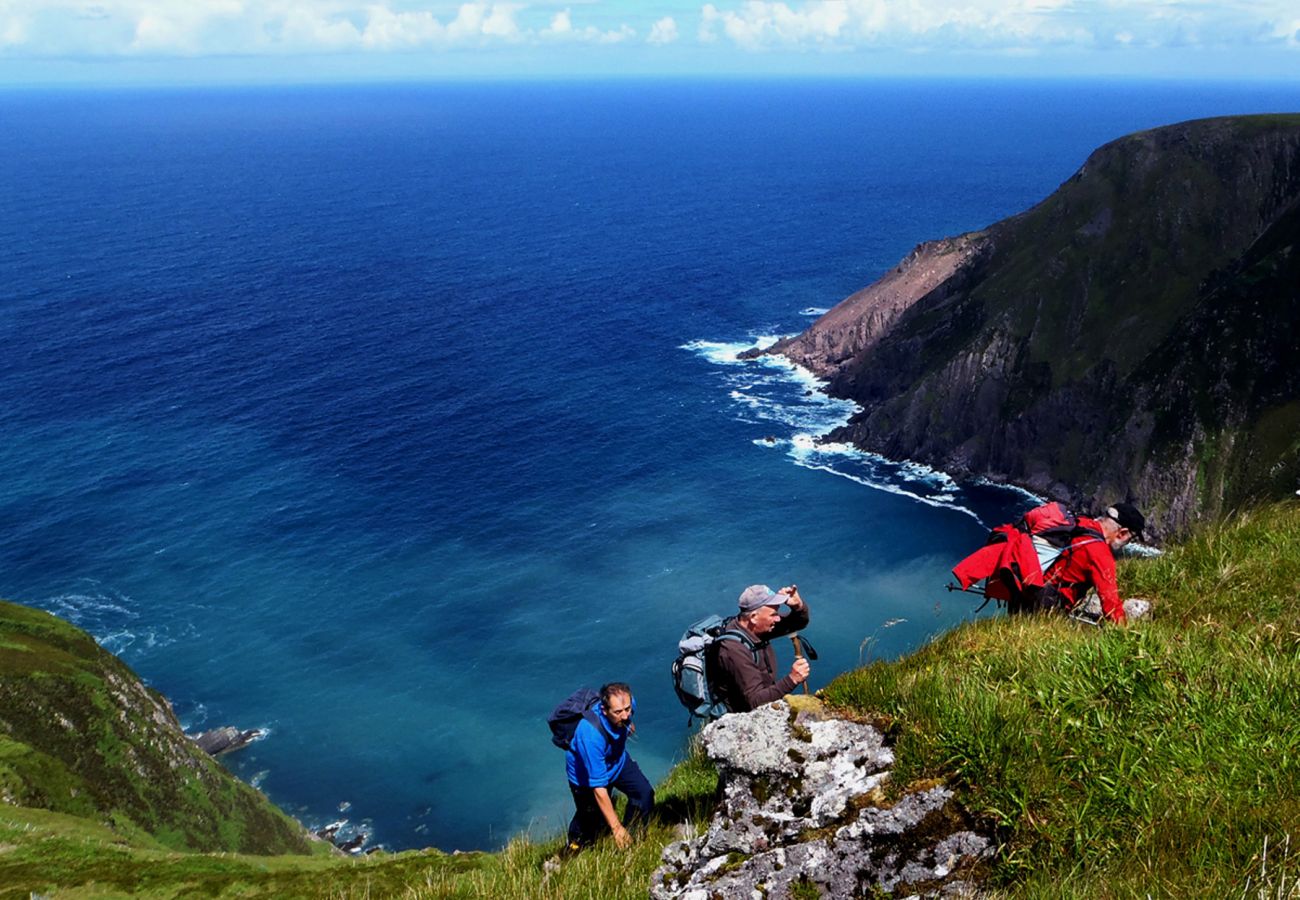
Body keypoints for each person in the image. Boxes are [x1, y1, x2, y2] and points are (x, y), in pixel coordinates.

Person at [565, 682, 654, 850]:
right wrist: (616, 827)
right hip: (585, 777)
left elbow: (627, 715)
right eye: (618, 712)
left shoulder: (625, 704)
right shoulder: (590, 735)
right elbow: (598, 787)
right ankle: (573, 847)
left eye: (627, 709)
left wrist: (628, 725)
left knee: (644, 794)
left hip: (616, 761)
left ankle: (633, 839)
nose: (625, 716)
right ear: (604, 711)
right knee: (591, 823)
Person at [1038, 502, 1146, 624]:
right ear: (1122, 533)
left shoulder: (1081, 523)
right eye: (1130, 539)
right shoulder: (1100, 555)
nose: (1127, 543)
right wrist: (1124, 634)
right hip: (1042, 608)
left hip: (1027, 589)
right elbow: (1111, 605)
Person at [711, 584, 811, 713]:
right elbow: (755, 701)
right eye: (773, 614)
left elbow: (797, 623)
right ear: (753, 617)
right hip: (742, 719)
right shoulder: (733, 650)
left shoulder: (754, 628)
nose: (778, 618)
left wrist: (798, 606)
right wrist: (792, 679)